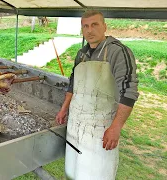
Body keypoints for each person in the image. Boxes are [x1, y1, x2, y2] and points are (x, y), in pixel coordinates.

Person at [56, 10, 139, 180]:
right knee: (72, 171)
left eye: (95, 25)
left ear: (104, 26)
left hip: (100, 128)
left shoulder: (118, 52)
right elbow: (73, 83)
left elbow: (129, 91)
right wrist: (64, 109)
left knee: (95, 173)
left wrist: (116, 127)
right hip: (76, 124)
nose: (89, 30)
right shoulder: (81, 54)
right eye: (85, 26)